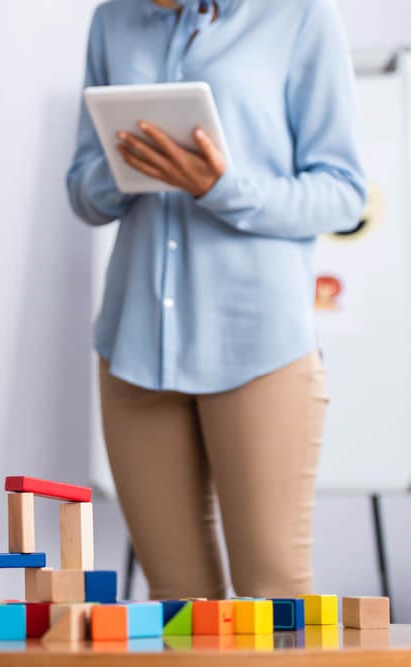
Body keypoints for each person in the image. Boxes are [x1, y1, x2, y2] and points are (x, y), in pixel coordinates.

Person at [67, 0, 365, 600]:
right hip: (134, 346)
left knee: (275, 598)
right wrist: (127, 164)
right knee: (178, 605)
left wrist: (222, 188)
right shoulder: (112, 20)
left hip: (261, 349)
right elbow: (83, 191)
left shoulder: (302, 17)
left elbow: (343, 195)